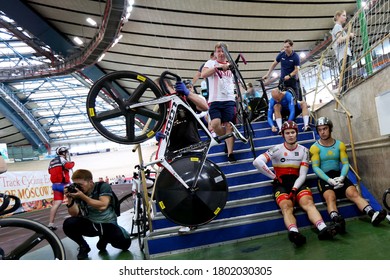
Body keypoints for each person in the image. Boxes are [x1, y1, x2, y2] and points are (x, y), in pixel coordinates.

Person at [253, 121, 337, 246]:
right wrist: (274, 177)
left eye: (293, 132)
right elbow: (257, 162)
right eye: (287, 133)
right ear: (283, 135)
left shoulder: (304, 151)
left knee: (308, 203)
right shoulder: (276, 149)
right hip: (280, 183)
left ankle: (323, 228)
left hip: (298, 181)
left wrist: (294, 189)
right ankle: (294, 232)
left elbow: (303, 175)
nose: (290, 135)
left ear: (296, 133)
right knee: (286, 207)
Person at [310, 117, 387, 233]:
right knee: (330, 197)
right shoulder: (315, 147)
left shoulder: (340, 145)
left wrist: (342, 177)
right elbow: (315, 167)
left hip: (338, 174)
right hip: (324, 177)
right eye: (319, 130)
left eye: (325, 129)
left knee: (353, 193)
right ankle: (336, 221)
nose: (322, 132)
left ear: (330, 129)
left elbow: (345, 163)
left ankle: (372, 214)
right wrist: (329, 180)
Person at [63, 169, 131, 260]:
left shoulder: (102, 186)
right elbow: (74, 214)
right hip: (92, 225)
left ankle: (105, 238)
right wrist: (70, 199)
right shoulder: (79, 192)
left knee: (125, 245)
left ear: (90, 182)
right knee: (68, 224)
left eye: (80, 185)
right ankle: (84, 246)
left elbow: (103, 206)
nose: (78, 187)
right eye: (75, 184)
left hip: (108, 225)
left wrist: (83, 197)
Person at [201, 42, 237, 162]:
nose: (221, 53)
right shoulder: (211, 63)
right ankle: (226, 139)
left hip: (229, 99)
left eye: (223, 51)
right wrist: (218, 68)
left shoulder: (230, 64)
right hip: (215, 99)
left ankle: (230, 153)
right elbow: (203, 74)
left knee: (229, 125)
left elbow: (233, 80)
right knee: (215, 124)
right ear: (215, 53)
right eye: (219, 51)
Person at [47, 146, 75, 230]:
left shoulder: (51, 161)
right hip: (64, 184)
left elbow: (49, 171)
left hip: (55, 185)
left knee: (56, 204)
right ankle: (76, 219)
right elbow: (69, 166)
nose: (67, 154)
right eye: (66, 152)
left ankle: (50, 224)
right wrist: (72, 162)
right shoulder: (62, 159)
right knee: (75, 199)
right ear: (63, 153)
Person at [331, 10, 355, 94]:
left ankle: (345, 90)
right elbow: (339, 40)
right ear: (338, 16)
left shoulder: (340, 28)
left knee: (347, 73)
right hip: (343, 53)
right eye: (343, 15)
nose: (345, 17)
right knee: (346, 74)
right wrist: (349, 35)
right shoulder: (337, 27)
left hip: (343, 53)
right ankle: (344, 91)